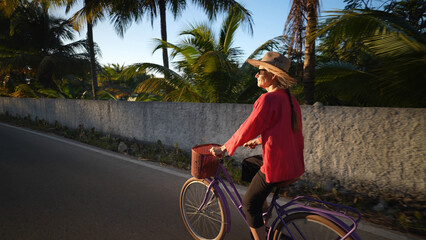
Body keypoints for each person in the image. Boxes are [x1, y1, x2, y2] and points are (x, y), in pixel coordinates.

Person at [210, 51, 304, 240]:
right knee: (249, 164)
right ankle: (264, 210)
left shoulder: (268, 99)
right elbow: (283, 130)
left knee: (249, 204)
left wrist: (224, 148)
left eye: (260, 71)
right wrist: (258, 140)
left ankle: (258, 215)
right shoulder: (290, 100)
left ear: (273, 75)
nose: (256, 74)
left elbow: (246, 128)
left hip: (277, 166)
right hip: (293, 164)